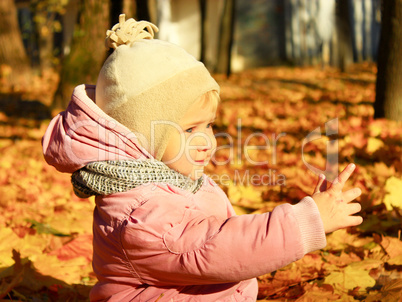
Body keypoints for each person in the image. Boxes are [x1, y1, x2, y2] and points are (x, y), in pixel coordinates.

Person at [42, 15, 363, 302]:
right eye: (191, 128)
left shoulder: (170, 179)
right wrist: (307, 221)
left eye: (209, 125)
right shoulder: (141, 214)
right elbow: (217, 246)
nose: (207, 140)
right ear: (142, 138)